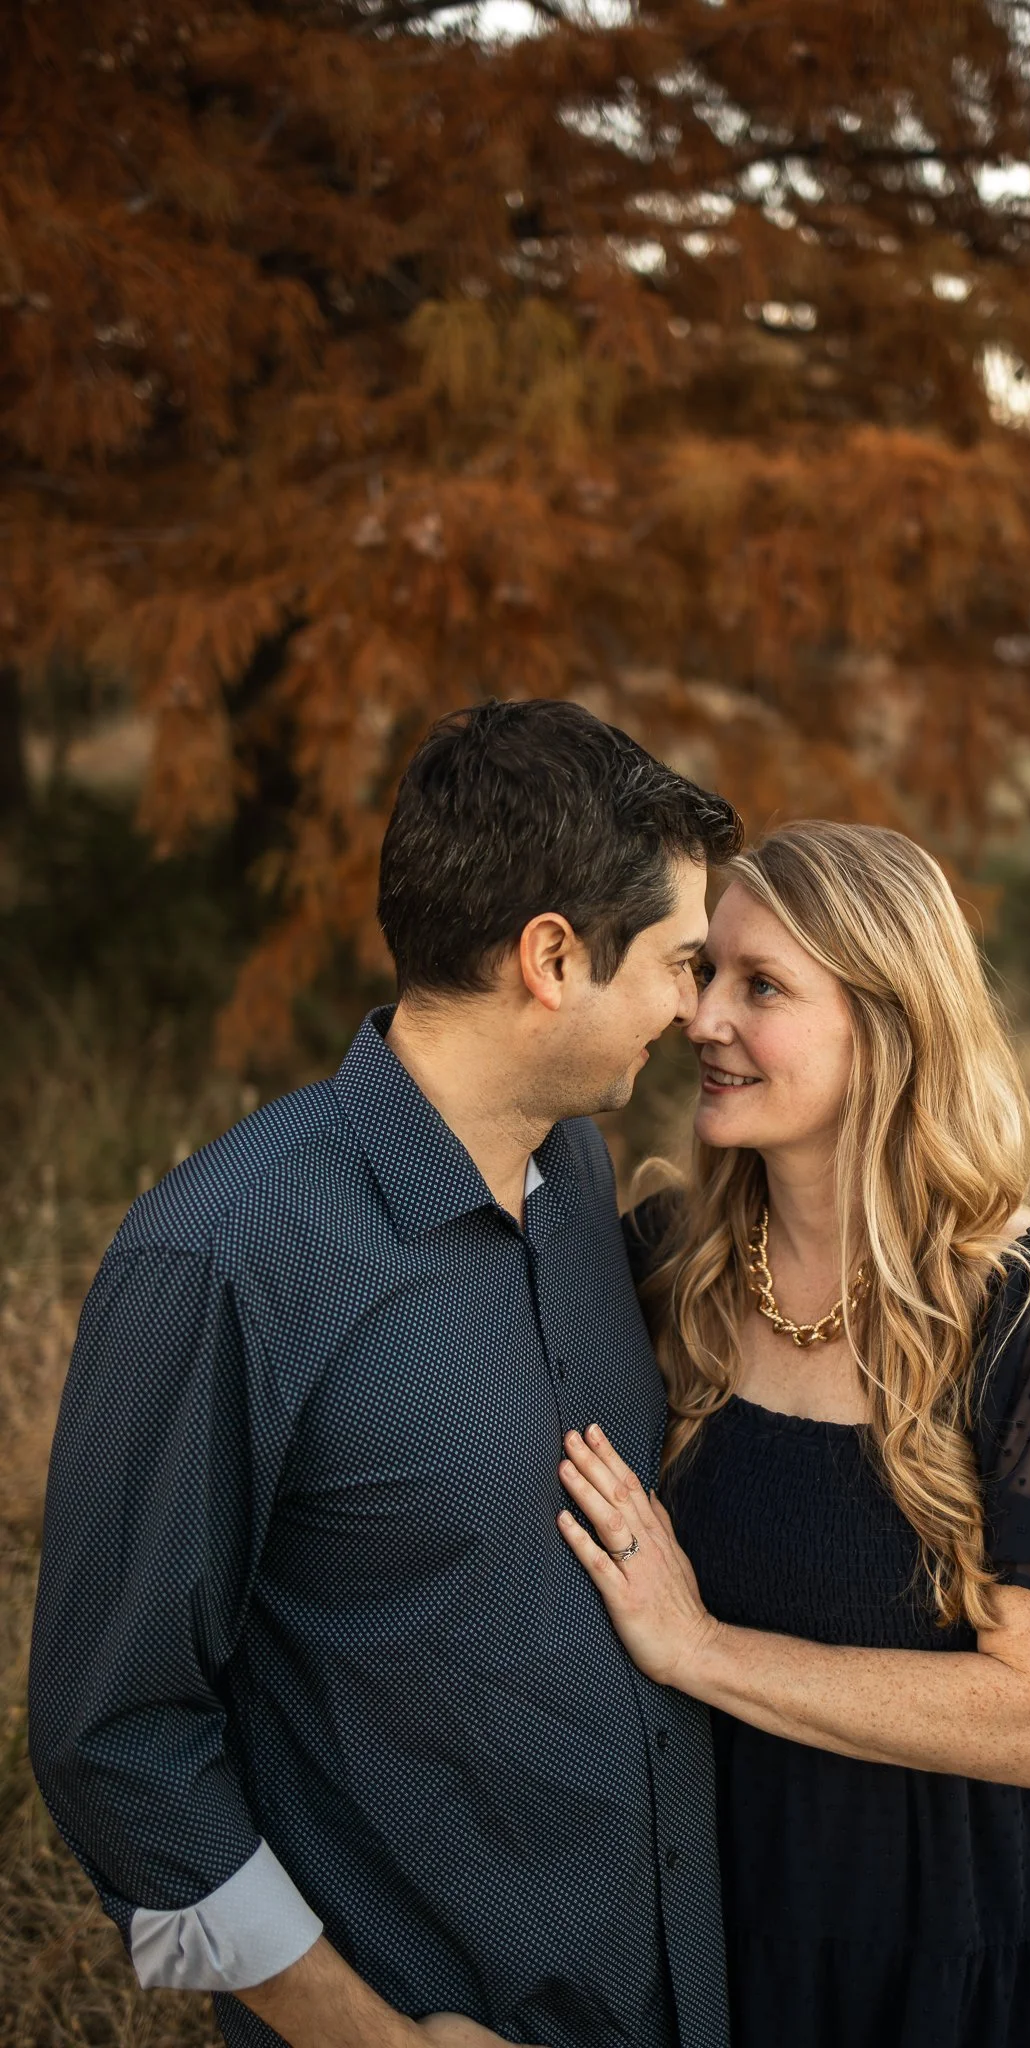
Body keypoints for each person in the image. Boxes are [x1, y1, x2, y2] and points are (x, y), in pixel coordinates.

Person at [28, 701, 743, 2048]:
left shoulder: (575, 1168)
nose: (693, 1009)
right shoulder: (224, 1251)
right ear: (551, 957)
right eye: (678, 962)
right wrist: (373, 2039)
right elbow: (111, 1737)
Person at [554, 819, 1030, 2048]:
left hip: (965, 1963)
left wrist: (701, 1648)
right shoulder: (664, 1273)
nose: (704, 1016)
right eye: (705, 971)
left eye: (762, 985)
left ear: (889, 1025)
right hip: (718, 1943)